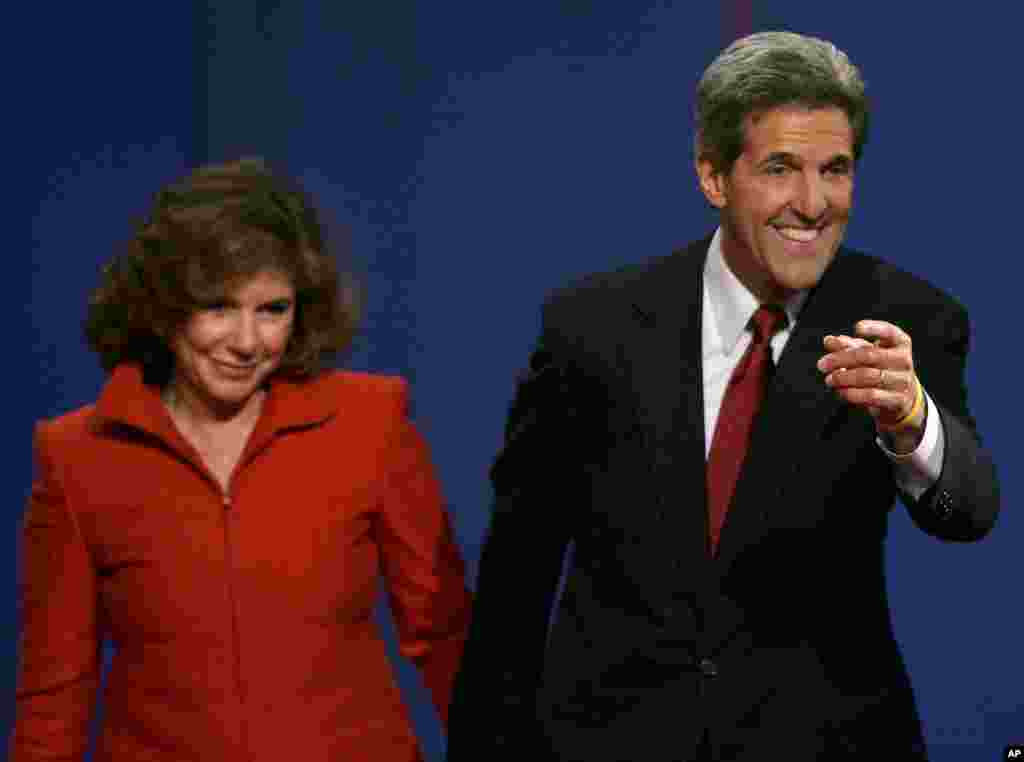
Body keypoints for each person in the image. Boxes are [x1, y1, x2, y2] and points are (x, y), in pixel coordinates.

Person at [446, 31, 999, 762]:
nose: (812, 203)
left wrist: (913, 425)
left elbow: (968, 510)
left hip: (826, 741)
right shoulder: (592, 327)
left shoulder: (907, 321)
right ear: (713, 177)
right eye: (780, 169)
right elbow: (520, 570)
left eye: (835, 170)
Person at [10, 159, 472, 762]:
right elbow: (55, 693)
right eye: (219, 306)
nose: (247, 341)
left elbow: (443, 636)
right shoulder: (78, 457)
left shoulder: (370, 423)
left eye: (272, 309)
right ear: (163, 306)